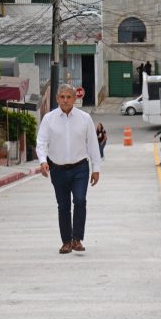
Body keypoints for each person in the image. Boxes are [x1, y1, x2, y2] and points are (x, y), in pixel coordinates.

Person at [36, 84, 101, 254]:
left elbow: (93, 144)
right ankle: (66, 242)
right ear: (57, 99)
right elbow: (41, 142)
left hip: (80, 168)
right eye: (62, 97)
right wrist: (43, 161)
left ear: (75, 99)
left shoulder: (85, 118)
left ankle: (77, 239)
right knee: (63, 205)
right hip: (57, 169)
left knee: (80, 201)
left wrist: (96, 168)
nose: (65, 100)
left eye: (68, 97)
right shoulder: (48, 119)